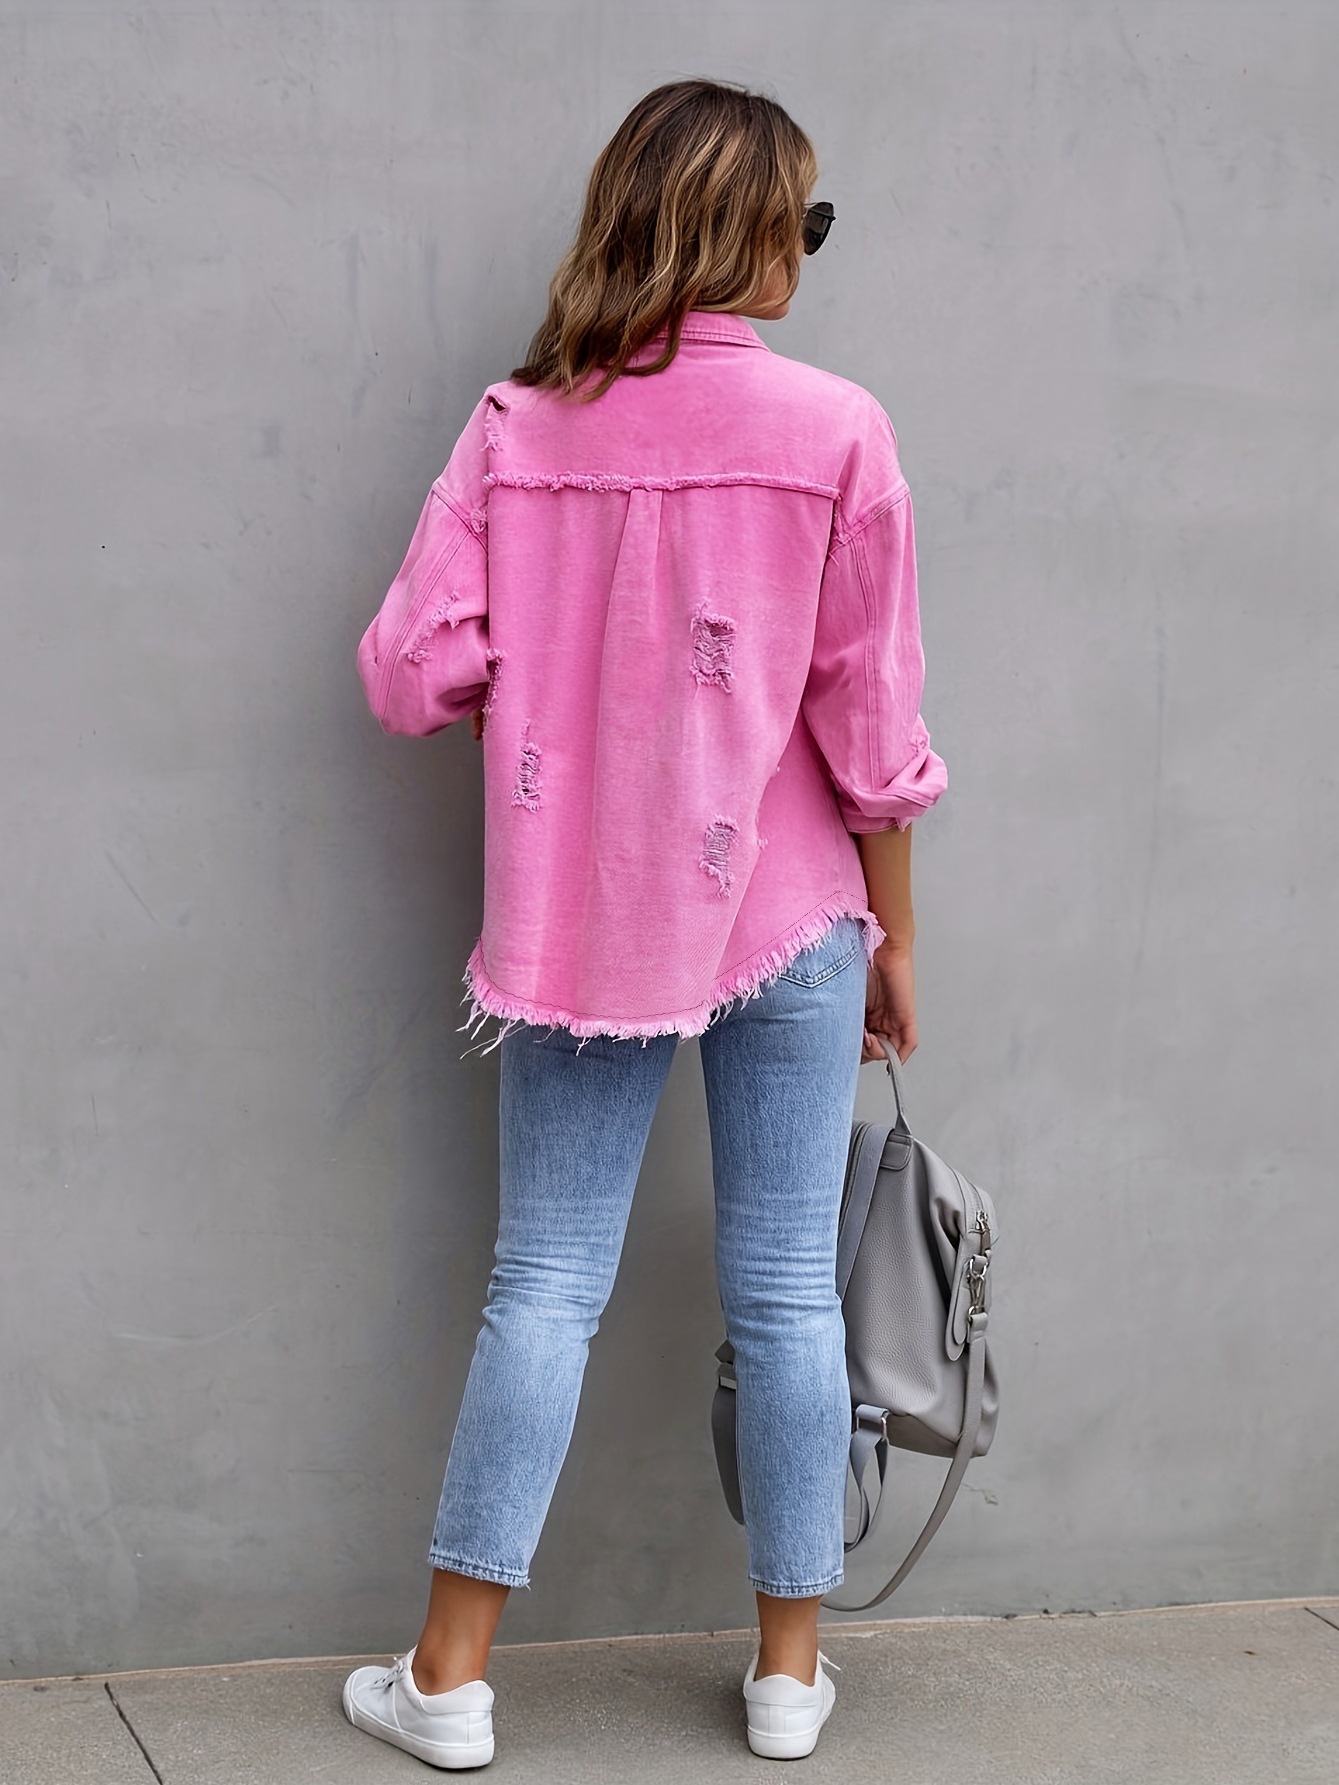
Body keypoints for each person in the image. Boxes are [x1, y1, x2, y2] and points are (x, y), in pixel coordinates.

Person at [343, 77, 947, 1768]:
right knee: (788, 1295)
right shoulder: (841, 431)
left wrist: (551, 694)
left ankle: (448, 1680)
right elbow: (873, 732)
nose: (808, 249)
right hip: (799, 908)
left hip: (587, 926)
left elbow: (406, 670)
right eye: (803, 220)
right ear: (744, 232)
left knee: (544, 1282)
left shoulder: (517, 429)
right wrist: (898, 936)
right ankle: (788, 1678)